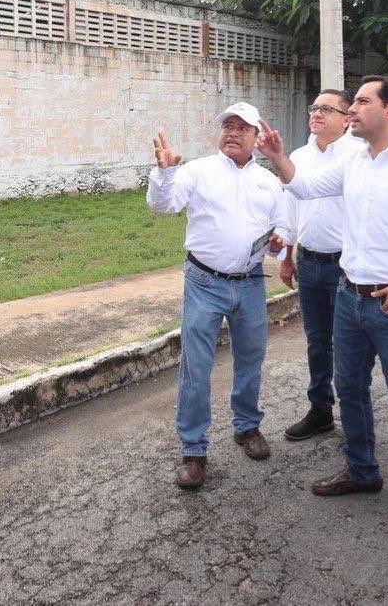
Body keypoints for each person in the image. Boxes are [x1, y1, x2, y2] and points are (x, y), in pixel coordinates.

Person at [258, 76, 388, 534]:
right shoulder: (355, 162)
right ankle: (362, 470)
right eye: (349, 103)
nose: (351, 109)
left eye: (361, 101)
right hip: (349, 296)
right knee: (348, 388)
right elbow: (306, 187)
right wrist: (276, 158)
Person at [148, 102, 288, 490]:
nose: (232, 132)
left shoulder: (269, 182)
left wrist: (278, 244)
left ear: (257, 139)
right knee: (196, 366)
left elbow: (282, 234)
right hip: (204, 283)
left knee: (251, 359)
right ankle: (193, 449)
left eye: (243, 128)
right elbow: (163, 204)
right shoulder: (198, 171)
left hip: (250, 284)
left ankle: (247, 427)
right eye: (227, 125)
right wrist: (164, 171)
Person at [278, 89, 361, 441]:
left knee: (349, 344)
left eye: (327, 109)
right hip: (309, 262)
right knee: (317, 341)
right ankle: (321, 410)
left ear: (346, 118)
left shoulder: (360, 155)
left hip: (347, 267)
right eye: (314, 108)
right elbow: (291, 210)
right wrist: (286, 257)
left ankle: (356, 418)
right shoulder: (298, 156)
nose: (317, 114)